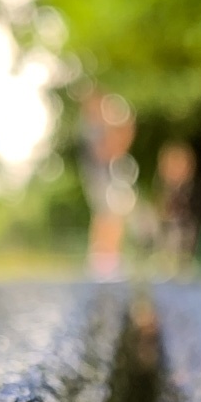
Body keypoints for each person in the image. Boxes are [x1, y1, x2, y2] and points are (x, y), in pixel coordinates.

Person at [78, 89, 137, 279]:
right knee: (106, 216)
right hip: (99, 177)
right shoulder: (90, 128)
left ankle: (109, 261)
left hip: (108, 176)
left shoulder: (98, 126)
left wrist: (124, 128)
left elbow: (119, 147)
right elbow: (105, 152)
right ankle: (103, 263)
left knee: (113, 216)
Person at [155, 141, 197, 266]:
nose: (175, 171)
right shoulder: (155, 198)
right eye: (171, 165)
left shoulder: (197, 201)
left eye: (180, 165)